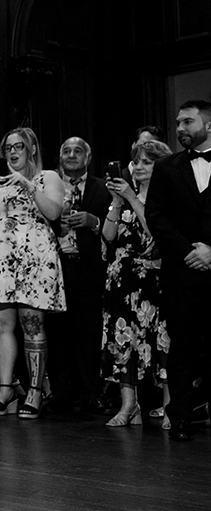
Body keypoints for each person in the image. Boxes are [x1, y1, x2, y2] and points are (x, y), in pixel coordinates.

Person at [0, 127, 66, 419]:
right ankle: (6, 389)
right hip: (1, 257)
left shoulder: (47, 177)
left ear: (32, 149)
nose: (12, 153)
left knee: (31, 326)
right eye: (8, 148)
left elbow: (53, 213)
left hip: (34, 257)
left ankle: (36, 391)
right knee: (2, 325)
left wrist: (26, 184)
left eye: (18, 147)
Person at [145, 100, 211, 442]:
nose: (180, 128)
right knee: (182, 347)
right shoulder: (167, 167)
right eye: (178, 123)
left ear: (208, 125)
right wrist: (190, 252)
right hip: (181, 272)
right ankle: (181, 417)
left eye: (187, 121)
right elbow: (156, 217)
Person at [101, 139, 172, 427]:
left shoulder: (165, 199)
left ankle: (169, 407)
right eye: (137, 161)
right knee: (123, 341)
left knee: (162, 343)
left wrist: (131, 198)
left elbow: (156, 232)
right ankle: (129, 404)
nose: (139, 166)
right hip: (121, 280)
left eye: (147, 162)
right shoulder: (126, 197)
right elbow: (107, 237)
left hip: (153, 281)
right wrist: (117, 203)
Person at [46, 137, 113, 414]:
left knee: (89, 332)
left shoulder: (104, 189)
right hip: (54, 269)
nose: (71, 155)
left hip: (89, 270)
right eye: (66, 151)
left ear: (88, 157)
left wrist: (93, 221)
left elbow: (116, 225)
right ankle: (61, 392)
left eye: (78, 151)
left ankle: (90, 391)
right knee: (57, 333)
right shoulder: (48, 187)